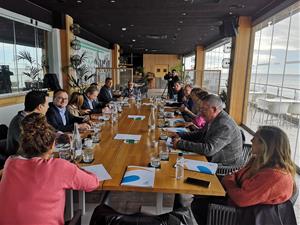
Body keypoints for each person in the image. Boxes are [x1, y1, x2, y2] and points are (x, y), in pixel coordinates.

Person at [0, 113, 99, 225]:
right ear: (53, 145)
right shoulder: (60, 167)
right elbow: (93, 183)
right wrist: (75, 167)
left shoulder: (10, 162)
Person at [190, 126, 296, 225]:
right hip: (238, 202)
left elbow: (241, 199)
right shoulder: (259, 161)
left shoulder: (275, 176)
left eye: (255, 138)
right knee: (199, 190)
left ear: (265, 145)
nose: (251, 140)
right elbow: (237, 174)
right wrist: (231, 180)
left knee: (199, 204)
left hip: (238, 214)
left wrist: (229, 181)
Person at [171, 94, 243, 165]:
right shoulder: (213, 118)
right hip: (209, 158)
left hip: (223, 167)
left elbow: (209, 149)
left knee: (178, 165)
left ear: (214, 109)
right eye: (201, 108)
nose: (200, 112)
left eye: (204, 109)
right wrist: (180, 134)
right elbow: (201, 134)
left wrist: (180, 143)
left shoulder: (225, 125)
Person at [6, 90, 49, 157]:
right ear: (40, 107)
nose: (48, 107)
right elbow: (31, 147)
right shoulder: (20, 123)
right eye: (47, 104)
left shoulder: (35, 118)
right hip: (19, 160)